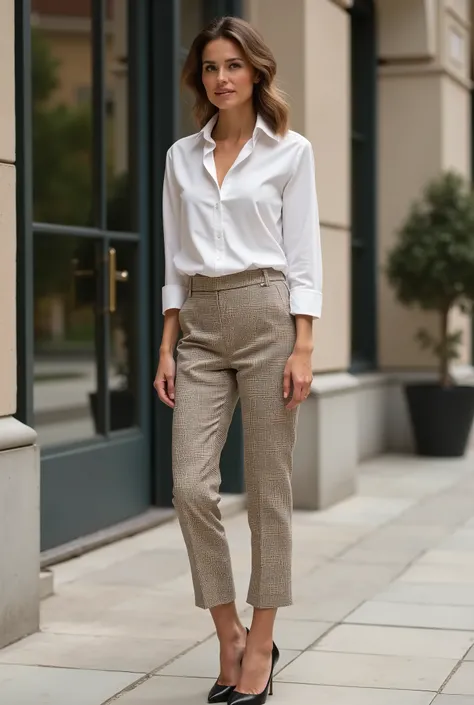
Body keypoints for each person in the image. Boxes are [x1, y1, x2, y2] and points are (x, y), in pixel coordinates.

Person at [154, 15, 322, 705]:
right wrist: (166, 344)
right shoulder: (178, 157)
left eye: (232, 66)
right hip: (199, 319)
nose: (220, 78)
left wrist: (304, 344)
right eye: (210, 67)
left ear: (256, 72)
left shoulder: (290, 151)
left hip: (266, 313)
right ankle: (226, 630)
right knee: (192, 486)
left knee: (268, 490)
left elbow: (304, 251)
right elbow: (171, 257)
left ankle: (261, 642)